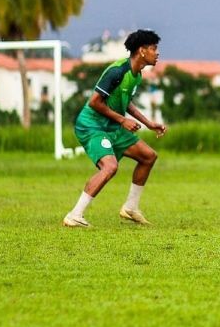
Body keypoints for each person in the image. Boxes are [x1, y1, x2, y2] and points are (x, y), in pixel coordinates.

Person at [63, 29, 167, 227]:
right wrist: (122, 121)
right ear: (142, 51)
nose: (158, 53)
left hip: (112, 126)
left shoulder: (136, 76)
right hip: (92, 125)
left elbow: (125, 102)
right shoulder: (117, 71)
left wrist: (149, 123)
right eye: (154, 48)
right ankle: (74, 215)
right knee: (110, 167)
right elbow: (95, 102)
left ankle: (131, 207)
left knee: (148, 156)